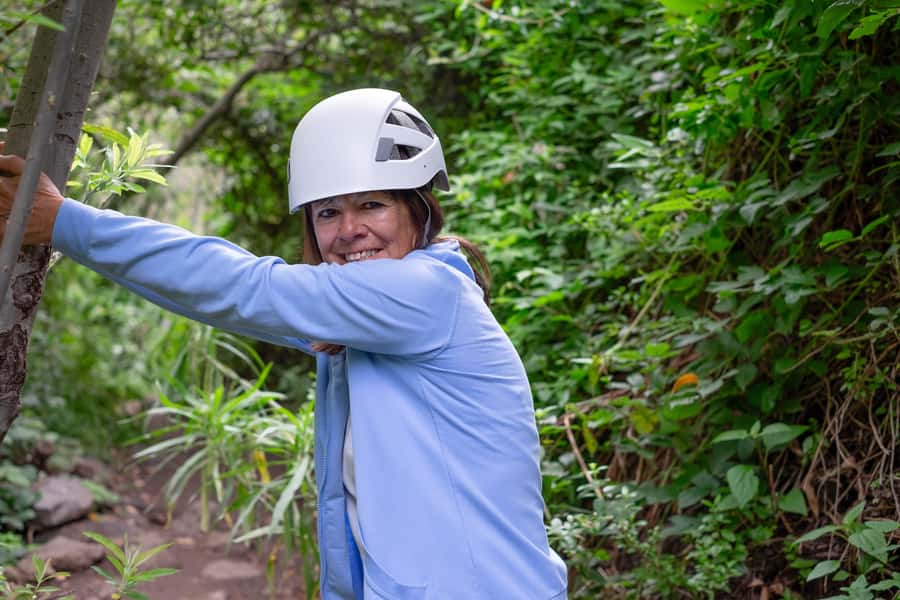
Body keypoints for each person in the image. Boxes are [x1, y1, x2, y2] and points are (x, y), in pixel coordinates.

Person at [0, 88, 568, 599]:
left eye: (372, 204)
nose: (348, 230)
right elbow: (216, 296)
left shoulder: (423, 293)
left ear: (418, 209)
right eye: (328, 212)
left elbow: (244, 285)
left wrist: (67, 224)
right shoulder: (362, 326)